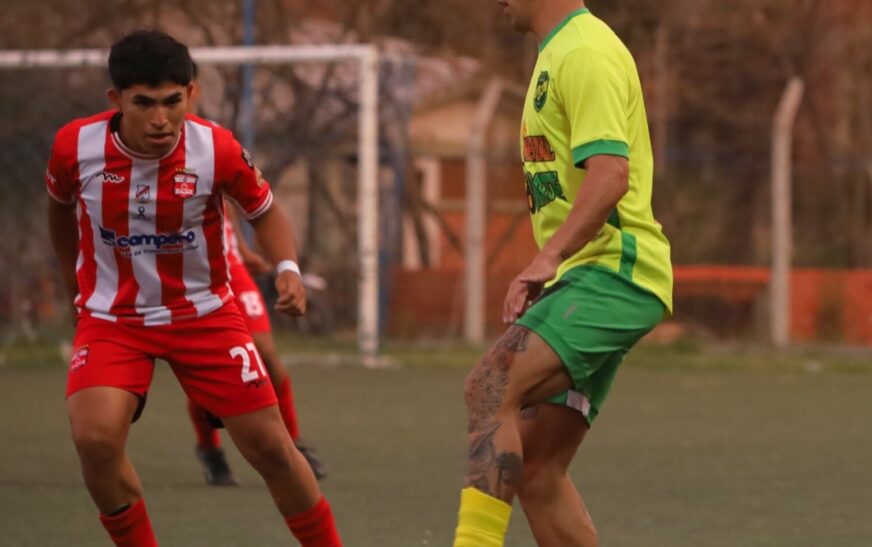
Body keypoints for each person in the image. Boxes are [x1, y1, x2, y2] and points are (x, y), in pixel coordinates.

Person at [46, 30, 341, 546]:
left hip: (204, 314)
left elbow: (265, 212)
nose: (160, 119)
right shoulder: (75, 146)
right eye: (144, 104)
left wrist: (288, 267)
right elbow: (59, 208)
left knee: (272, 449)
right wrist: (74, 276)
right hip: (115, 319)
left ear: (192, 94)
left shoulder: (216, 148)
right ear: (116, 101)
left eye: (172, 102)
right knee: (94, 439)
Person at [452, 2, 673, 546]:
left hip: (615, 274)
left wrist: (546, 258)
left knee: (489, 387)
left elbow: (610, 174)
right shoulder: (558, 52)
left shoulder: (585, 52)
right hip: (589, 276)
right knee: (540, 468)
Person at [185, 63, 326, 486]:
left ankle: (293, 442)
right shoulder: (141, 145)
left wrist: (243, 250)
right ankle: (209, 447)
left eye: (179, 93)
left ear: (192, 90)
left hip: (233, 271)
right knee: (205, 379)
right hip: (191, 280)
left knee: (267, 356)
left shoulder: (210, 140)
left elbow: (227, 199)